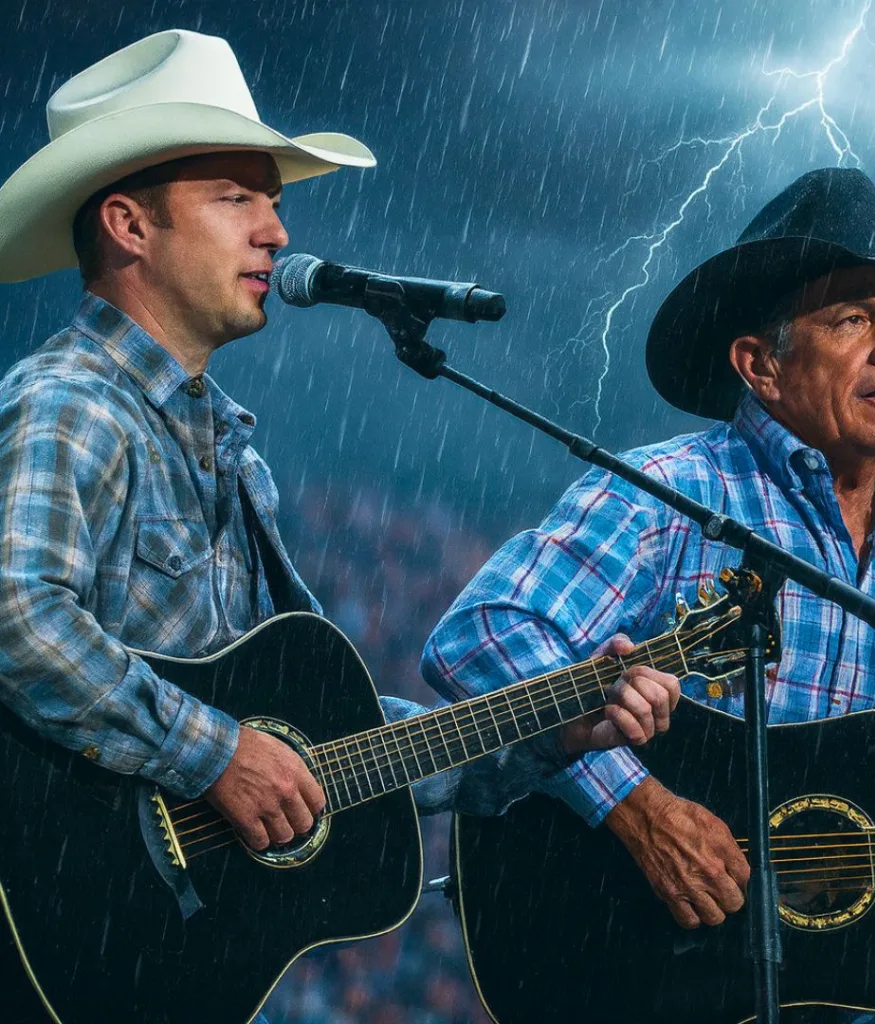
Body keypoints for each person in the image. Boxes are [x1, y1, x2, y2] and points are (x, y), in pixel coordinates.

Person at [0, 29, 682, 1022]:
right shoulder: (73, 403)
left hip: (171, 954)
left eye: (275, 201)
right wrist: (214, 754)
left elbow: (327, 750)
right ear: (128, 226)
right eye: (239, 197)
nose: (277, 231)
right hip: (68, 924)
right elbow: (17, 613)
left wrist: (544, 730)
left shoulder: (232, 453)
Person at [422, 167, 875, 1023]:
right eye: (853, 317)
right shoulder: (666, 495)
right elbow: (479, 636)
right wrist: (636, 805)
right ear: (760, 364)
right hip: (630, 974)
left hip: (834, 990)